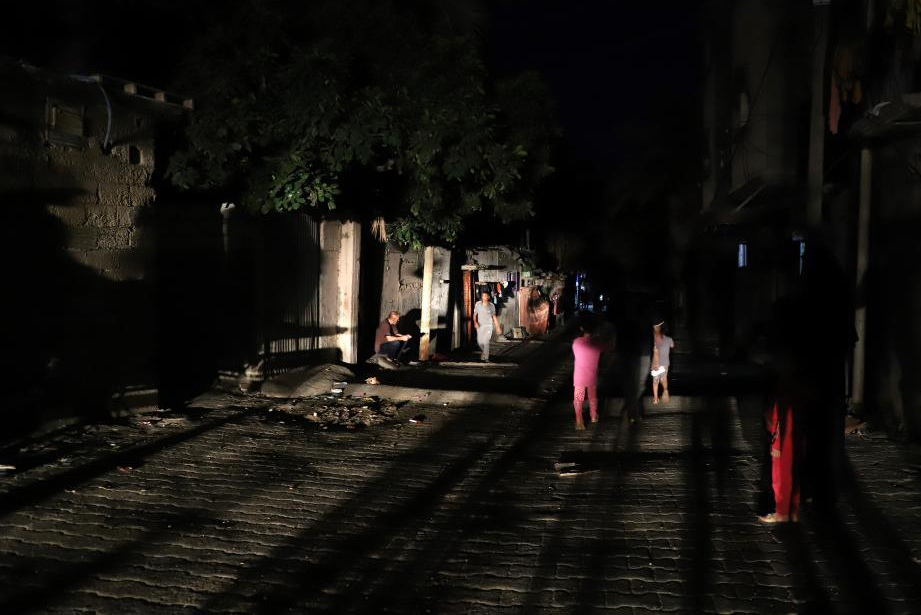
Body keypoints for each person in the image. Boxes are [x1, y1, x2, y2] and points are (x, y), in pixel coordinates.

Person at [571, 318, 610, 430]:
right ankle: (593, 416)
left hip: (579, 375)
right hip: (592, 375)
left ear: (582, 328)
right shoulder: (597, 343)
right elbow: (608, 348)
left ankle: (579, 421)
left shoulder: (576, 342)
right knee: (592, 397)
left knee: (578, 398)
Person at [473, 291, 502, 362]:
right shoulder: (478, 304)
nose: (484, 298)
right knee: (480, 342)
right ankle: (484, 352)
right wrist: (475, 322)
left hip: (488, 326)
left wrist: (498, 327)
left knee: (486, 341)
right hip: (480, 326)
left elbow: (494, 317)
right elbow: (475, 314)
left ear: (488, 297)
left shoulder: (491, 306)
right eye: (483, 296)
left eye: (485, 296)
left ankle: (486, 358)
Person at [650, 321, 674, 404]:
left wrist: (656, 364)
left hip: (656, 363)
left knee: (655, 381)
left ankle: (655, 398)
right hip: (665, 364)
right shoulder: (669, 339)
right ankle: (665, 390)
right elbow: (672, 346)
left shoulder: (656, 339)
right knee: (663, 378)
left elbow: (655, 351)